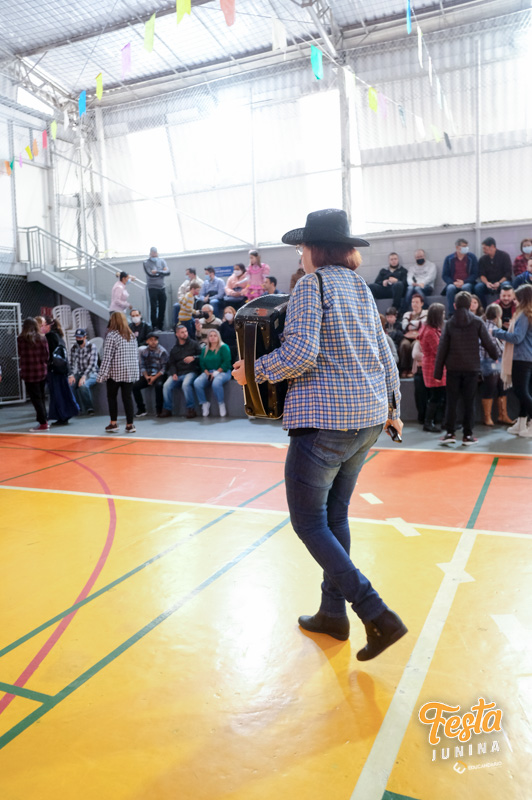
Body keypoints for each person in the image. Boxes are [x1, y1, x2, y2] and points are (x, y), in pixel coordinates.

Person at [232, 208, 406, 661]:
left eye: (302, 248)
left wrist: (252, 372)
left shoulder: (312, 285)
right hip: (368, 419)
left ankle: (376, 613)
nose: (300, 255)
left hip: (325, 421)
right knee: (335, 518)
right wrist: (393, 409)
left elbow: (301, 354)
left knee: (309, 523)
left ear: (315, 249)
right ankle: (333, 613)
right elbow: (384, 351)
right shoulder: (360, 287)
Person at [434, 291, 498, 446]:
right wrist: (495, 355)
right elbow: (488, 343)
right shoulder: (477, 322)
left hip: (453, 368)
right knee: (469, 402)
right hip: (472, 368)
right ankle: (468, 435)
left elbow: (442, 348)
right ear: (470, 305)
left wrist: (438, 371)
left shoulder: (449, 323)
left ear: (455, 305)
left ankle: (450, 433)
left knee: (452, 401)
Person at [493, 284, 532, 438]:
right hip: (527, 357)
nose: (514, 301)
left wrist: (497, 332)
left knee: (520, 391)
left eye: (516, 298)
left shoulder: (523, 315)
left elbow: (517, 338)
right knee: (524, 391)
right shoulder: (528, 314)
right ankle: (521, 423)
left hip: (521, 358)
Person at [97, 312, 140, 433]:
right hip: (129, 372)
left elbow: (107, 357)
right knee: (127, 398)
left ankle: (113, 423)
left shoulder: (112, 336)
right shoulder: (132, 336)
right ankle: (130, 425)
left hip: (115, 372)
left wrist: (101, 375)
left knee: (112, 397)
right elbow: (136, 355)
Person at [478, 304, 513, 427]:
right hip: (489, 362)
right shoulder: (490, 328)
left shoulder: (487, 326)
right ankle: (488, 417)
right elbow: (497, 348)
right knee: (491, 388)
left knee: (501, 387)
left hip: (495, 362)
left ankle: (502, 415)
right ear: (498, 315)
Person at [43, 317, 79, 426]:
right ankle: (63, 415)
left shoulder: (50, 337)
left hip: (54, 370)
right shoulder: (59, 336)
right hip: (61, 369)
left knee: (57, 395)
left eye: (43, 325)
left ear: (48, 325)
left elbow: (48, 354)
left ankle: (62, 416)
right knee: (62, 393)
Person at [161, 324, 202, 418]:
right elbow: (171, 363)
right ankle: (167, 409)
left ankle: (191, 409)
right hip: (178, 372)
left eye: (186, 331)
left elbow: (202, 356)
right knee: (166, 385)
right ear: (177, 334)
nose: (185, 334)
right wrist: (173, 373)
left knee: (186, 384)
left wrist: (194, 357)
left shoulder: (194, 344)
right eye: (182, 332)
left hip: (191, 371)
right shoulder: (174, 349)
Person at [17, 317, 50, 431]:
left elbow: (21, 354)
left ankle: (43, 423)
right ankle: (45, 420)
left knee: (36, 399)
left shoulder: (21, 339)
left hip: (29, 372)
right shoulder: (42, 338)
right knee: (41, 397)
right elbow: (46, 356)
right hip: (41, 371)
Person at [418, 304, 446, 433]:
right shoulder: (430, 332)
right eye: (442, 314)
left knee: (440, 395)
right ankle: (428, 423)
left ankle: (444, 421)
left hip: (434, 365)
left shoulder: (430, 328)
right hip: (433, 366)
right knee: (436, 395)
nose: (444, 316)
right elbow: (438, 350)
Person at [194, 329, 232, 417]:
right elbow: (202, 363)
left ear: (218, 337)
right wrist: (206, 372)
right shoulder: (205, 349)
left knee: (216, 382)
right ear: (208, 338)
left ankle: (221, 404)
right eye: (211, 336)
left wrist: (216, 373)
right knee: (197, 383)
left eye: (215, 335)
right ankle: (204, 403)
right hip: (209, 372)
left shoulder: (224, 347)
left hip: (223, 371)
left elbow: (227, 362)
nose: (213, 337)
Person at [133, 332, 169, 418]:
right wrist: (146, 377)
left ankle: (159, 410)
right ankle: (141, 409)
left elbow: (164, 369)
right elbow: (142, 366)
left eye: (155, 340)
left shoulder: (162, 351)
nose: (153, 342)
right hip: (148, 375)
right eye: (151, 340)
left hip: (159, 375)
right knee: (134, 387)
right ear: (147, 341)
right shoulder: (144, 351)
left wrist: (154, 378)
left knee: (159, 385)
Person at [441, 238, 479, 318]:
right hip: (453, 283)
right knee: (450, 288)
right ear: (457, 247)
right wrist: (453, 283)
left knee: (466, 287)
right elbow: (445, 275)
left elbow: (475, 274)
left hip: (467, 282)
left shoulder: (472, 257)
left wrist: (464, 282)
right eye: (464, 246)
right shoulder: (449, 259)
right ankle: (452, 314)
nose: (466, 248)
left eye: (467, 246)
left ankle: (467, 312)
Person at [474, 237, 512, 308]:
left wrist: (499, 282)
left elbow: (508, 273)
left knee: (506, 285)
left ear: (492, 246)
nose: (483, 251)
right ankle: (483, 309)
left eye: (485, 248)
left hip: (502, 282)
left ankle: (505, 308)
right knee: (478, 287)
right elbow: (482, 275)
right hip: (488, 283)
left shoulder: (504, 256)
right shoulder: (482, 259)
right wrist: (487, 283)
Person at [68, 328, 99, 415]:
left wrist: (84, 376)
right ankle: (77, 408)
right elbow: (71, 363)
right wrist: (71, 375)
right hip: (80, 373)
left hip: (92, 373)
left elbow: (92, 364)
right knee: (70, 384)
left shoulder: (92, 347)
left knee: (83, 386)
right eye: (77, 337)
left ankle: (89, 408)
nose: (78, 339)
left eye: (80, 337)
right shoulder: (74, 348)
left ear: (85, 337)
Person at [398, 294, 428, 377]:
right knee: (404, 345)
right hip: (408, 336)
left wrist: (411, 324)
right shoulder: (407, 314)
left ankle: (413, 369)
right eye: (413, 302)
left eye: (417, 302)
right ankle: (404, 369)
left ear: (422, 303)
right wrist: (417, 324)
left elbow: (423, 324)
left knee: (415, 345)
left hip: (419, 336)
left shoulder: (426, 313)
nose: (414, 304)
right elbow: (405, 326)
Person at [143, 246, 170, 330]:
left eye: (156, 253)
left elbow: (168, 272)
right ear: (150, 253)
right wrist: (162, 271)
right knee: (153, 308)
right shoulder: (146, 262)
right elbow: (150, 274)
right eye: (153, 253)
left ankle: (160, 326)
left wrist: (157, 271)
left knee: (162, 308)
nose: (154, 254)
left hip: (162, 288)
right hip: (152, 288)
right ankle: (154, 326)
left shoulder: (162, 261)